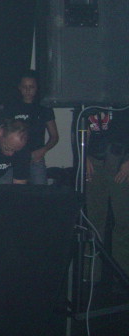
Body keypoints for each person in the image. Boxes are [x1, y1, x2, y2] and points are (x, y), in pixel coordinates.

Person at [85, 108, 129, 277]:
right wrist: (84, 157)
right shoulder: (88, 103)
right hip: (95, 162)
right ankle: (90, 274)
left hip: (120, 161)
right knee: (94, 221)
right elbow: (80, 131)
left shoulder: (122, 101)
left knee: (123, 221)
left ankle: (122, 275)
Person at [0, 70, 59, 184]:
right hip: (14, 157)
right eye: (25, 87)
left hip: (35, 157)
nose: (28, 90)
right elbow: (2, 132)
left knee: (40, 191)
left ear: (37, 87)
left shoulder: (44, 107)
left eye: (31, 87)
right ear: (19, 87)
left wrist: (43, 150)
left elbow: (54, 136)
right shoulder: (11, 106)